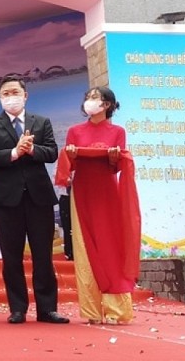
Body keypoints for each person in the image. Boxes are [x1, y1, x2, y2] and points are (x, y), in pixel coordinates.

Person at [0, 75, 69, 324]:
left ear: (25, 95)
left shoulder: (41, 121)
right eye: (5, 93)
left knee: (42, 255)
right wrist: (15, 153)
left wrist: (32, 150)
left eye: (15, 92)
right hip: (7, 199)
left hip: (38, 197)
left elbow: (51, 152)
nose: (11, 97)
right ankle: (17, 308)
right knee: (12, 256)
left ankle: (47, 309)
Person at [60, 86, 141, 325]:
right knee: (84, 249)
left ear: (107, 104)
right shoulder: (75, 131)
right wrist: (70, 155)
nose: (89, 101)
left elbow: (117, 166)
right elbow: (69, 167)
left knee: (109, 245)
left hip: (107, 193)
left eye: (94, 98)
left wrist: (116, 157)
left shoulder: (117, 131)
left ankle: (116, 309)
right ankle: (92, 310)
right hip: (82, 192)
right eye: (87, 98)